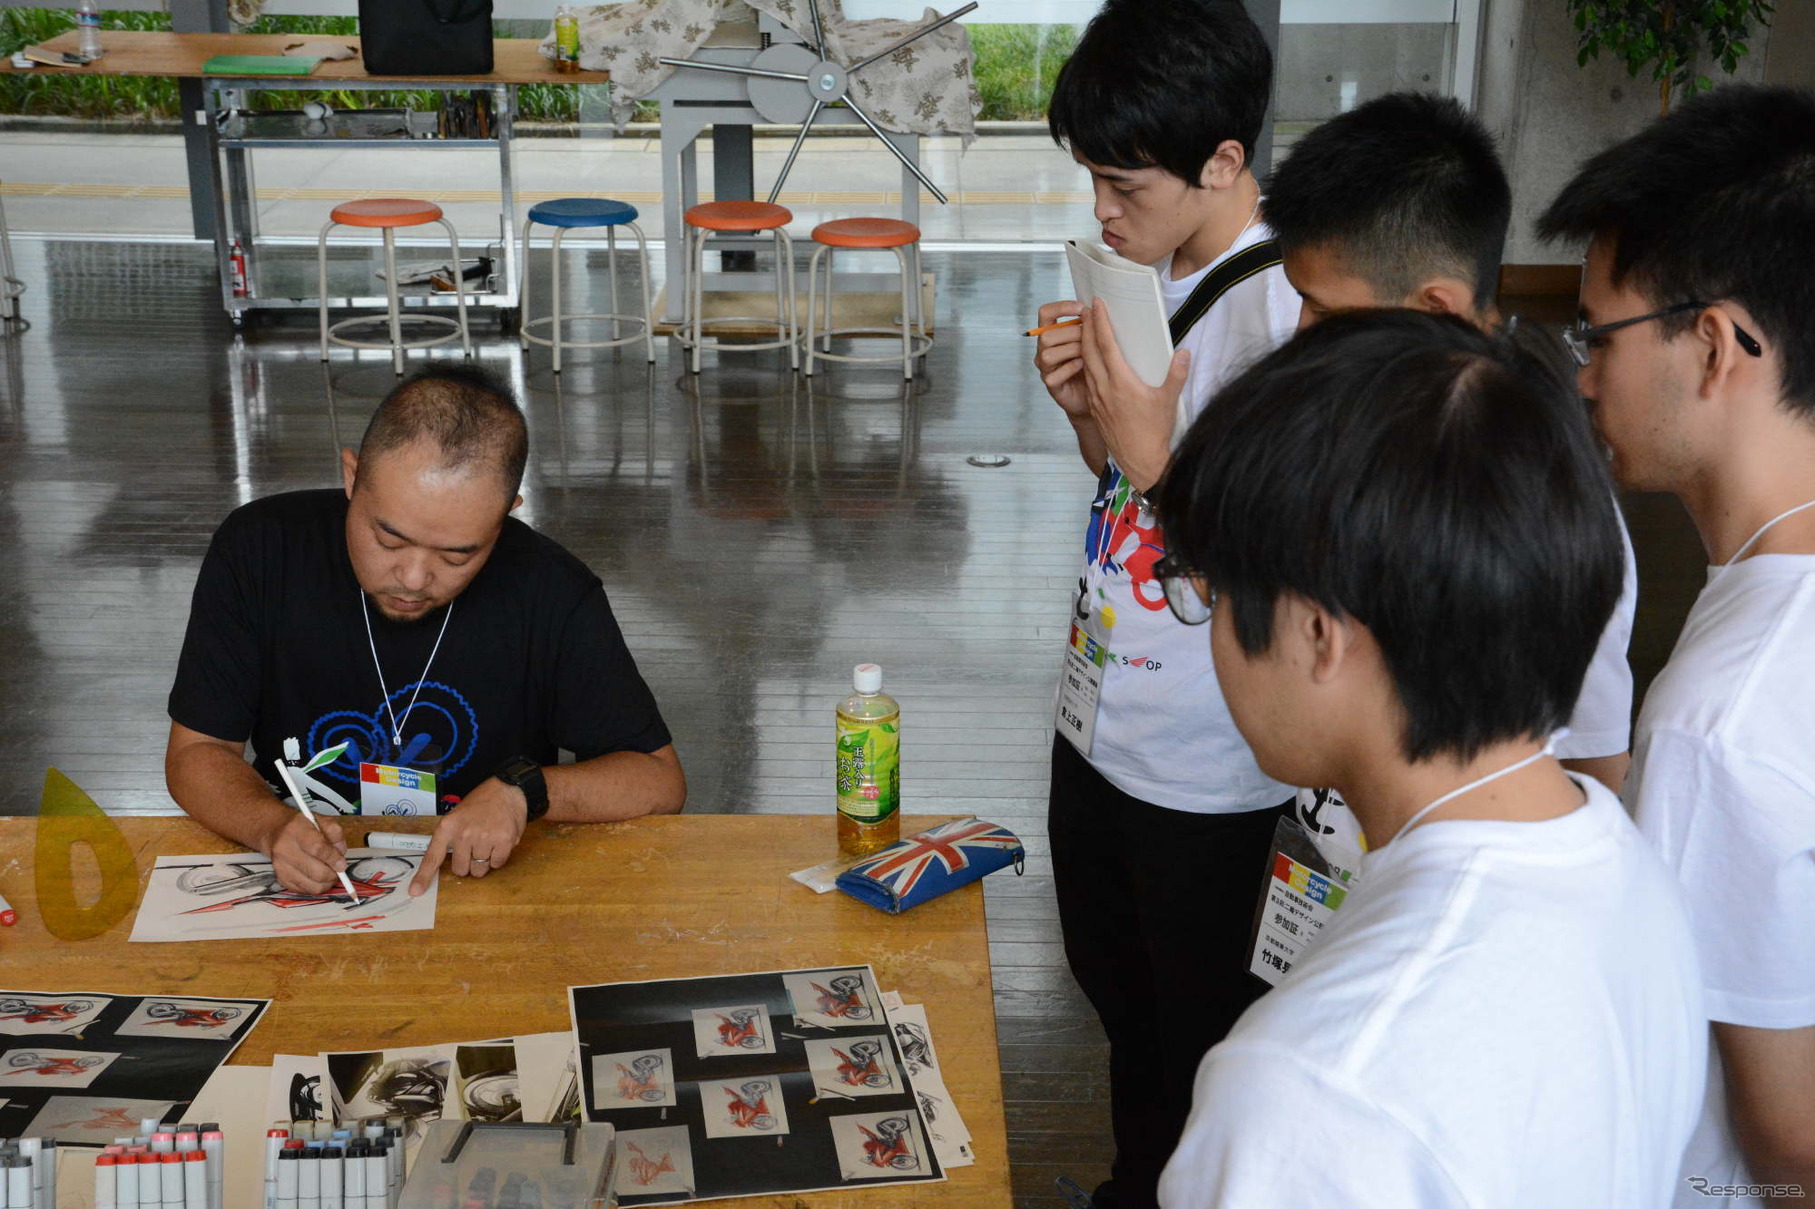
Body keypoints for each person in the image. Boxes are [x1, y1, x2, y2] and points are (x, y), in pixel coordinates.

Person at [1152, 309, 1705, 1207]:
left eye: (1212, 590)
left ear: (1317, 632)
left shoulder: (1310, 1093)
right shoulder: (1628, 873)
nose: (1210, 629)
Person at [1030, 2, 1297, 1204]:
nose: (1102, 209)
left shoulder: (1287, 316)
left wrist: (1146, 455)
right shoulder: (1149, 271)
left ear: (1224, 164)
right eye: (1091, 176)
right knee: (1114, 991)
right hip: (1103, 715)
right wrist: (1088, 413)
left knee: (1194, 1033)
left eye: (1123, 182)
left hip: (1209, 761)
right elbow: (1127, 490)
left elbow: (1275, 572)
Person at [1539, 85, 1815, 1207]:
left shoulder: (1724, 719)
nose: (1584, 374)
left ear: (1714, 345)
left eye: (1598, 335)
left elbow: (1790, 1146)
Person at [1260, 91, 1638, 869]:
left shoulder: (1537, 494)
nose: (1299, 332)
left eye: (1321, 307)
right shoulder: (1351, 415)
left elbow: (1592, 765)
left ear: (1434, 305)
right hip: (1327, 865)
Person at [165, 363, 685, 897]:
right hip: (302, 878)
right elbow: (197, 751)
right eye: (389, 540)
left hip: (481, 884)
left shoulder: (552, 590)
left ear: (505, 515)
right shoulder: (261, 550)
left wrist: (523, 793)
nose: (414, 579)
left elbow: (657, 779)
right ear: (352, 476)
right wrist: (269, 825)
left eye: (458, 554)